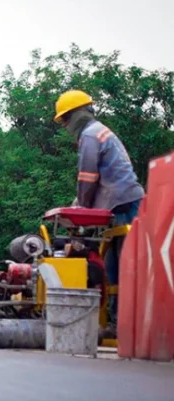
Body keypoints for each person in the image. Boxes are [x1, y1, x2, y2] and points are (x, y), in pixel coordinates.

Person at [54, 89, 145, 332]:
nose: (64, 125)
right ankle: (115, 321)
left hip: (122, 202)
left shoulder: (90, 136)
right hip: (121, 201)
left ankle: (125, 323)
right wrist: (78, 205)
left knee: (124, 263)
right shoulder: (98, 132)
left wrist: (80, 211)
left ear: (77, 114)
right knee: (112, 263)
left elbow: (87, 177)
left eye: (64, 119)